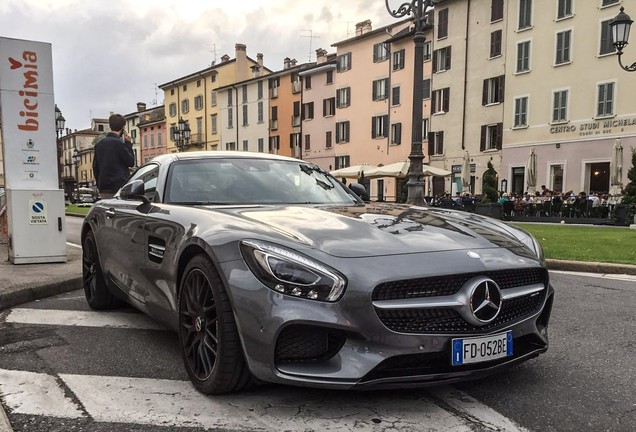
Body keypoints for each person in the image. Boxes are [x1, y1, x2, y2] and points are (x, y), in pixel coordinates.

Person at [93, 114, 135, 199]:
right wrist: (128, 143)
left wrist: (99, 184)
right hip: (119, 187)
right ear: (123, 128)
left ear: (110, 126)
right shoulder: (120, 144)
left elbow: (95, 167)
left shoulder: (99, 145)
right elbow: (131, 162)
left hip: (104, 188)